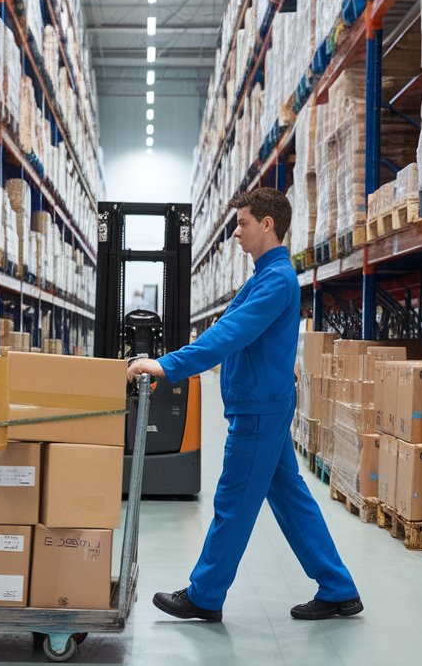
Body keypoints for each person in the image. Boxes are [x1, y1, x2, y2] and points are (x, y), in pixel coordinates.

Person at [126, 188, 362, 622]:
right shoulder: (263, 277)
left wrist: (166, 366)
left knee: (233, 502)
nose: (236, 231)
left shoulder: (274, 281)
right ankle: (338, 587)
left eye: (243, 222)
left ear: (267, 224)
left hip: (258, 411)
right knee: (291, 498)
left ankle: (206, 594)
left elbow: (229, 334)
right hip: (261, 404)